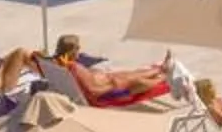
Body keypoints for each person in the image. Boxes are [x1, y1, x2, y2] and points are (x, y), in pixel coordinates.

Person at [50, 36, 178, 104]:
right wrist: (111, 86)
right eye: (77, 48)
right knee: (139, 82)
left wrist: (98, 75)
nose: (79, 49)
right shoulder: (73, 67)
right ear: (70, 51)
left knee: (130, 74)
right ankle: (165, 78)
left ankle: (161, 69)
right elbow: (92, 91)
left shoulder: (60, 63)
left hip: (103, 81)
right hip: (106, 94)